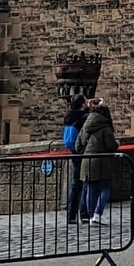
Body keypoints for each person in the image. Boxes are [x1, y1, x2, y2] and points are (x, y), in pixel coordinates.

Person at [75, 98, 119, 223]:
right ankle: (97, 214)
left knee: (91, 188)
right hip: (102, 160)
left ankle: (90, 216)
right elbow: (110, 145)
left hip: (87, 160)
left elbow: (78, 145)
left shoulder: (86, 125)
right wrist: (117, 144)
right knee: (105, 187)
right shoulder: (105, 126)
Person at [61, 92, 88, 223]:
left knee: (75, 184)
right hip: (82, 151)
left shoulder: (68, 115)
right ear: (82, 104)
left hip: (73, 151)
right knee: (86, 182)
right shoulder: (83, 117)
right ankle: (84, 214)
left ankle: (71, 215)